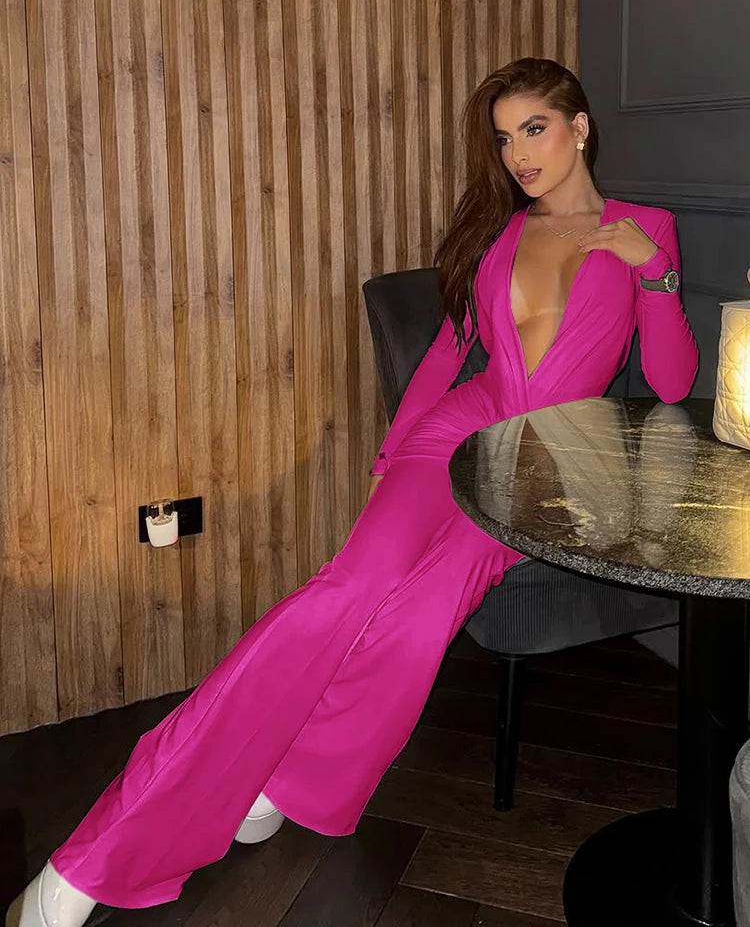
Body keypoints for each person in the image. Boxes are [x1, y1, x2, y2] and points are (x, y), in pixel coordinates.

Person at [6, 56, 699, 926]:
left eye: (535, 129)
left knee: (420, 616)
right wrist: (398, 456)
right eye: (504, 138)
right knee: (346, 589)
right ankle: (99, 856)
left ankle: (290, 776)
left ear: (580, 127)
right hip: (455, 435)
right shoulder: (500, 233)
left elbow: (671, 381)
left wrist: (654, 273)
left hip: (553, 463)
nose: (520, 154)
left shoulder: (646, 228)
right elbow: (450, 355)